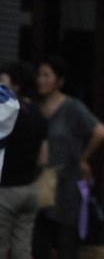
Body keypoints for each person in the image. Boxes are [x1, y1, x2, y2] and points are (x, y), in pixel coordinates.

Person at [32, 56, 104, 259]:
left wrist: (83, 159)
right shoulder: (36, 109)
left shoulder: (72, 108)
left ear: (60, 81)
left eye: (46, 75)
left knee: (67, 247)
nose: (41, 80)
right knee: (39, 247)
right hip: (39, 186)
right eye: (39, 75)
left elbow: (101, 132)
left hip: (66, 189)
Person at [0, 62, 48, 259]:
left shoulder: (8, 113)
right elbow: (44, 159)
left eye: (3, 81)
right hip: (30, 190)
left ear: (16, 85)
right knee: (23, 249)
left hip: (6, 190)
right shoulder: (39, 114)